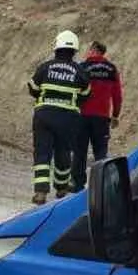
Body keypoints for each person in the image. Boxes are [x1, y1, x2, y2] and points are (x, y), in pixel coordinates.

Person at [26, 29, 90, 206]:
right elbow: (86, 94)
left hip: (44, 115)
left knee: (42, 152)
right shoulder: (79, 71)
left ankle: (40, 192)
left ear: (56, 47)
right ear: (74, 50)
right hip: (68, 118)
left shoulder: (45, 67)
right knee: (63, 152)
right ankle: (61, 188)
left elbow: (32, 87)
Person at [75, 41, 123, 189]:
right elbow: (117, 95)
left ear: (93, 50)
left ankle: (77, 184)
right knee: (101, 152)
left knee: (79, 150)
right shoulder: (111, 69)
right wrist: (115, 115)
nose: (87, 52)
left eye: (89, 49)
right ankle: (101, 186)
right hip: (102, 118)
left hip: (81, 115)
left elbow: (75, 90)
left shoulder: (82, 67)